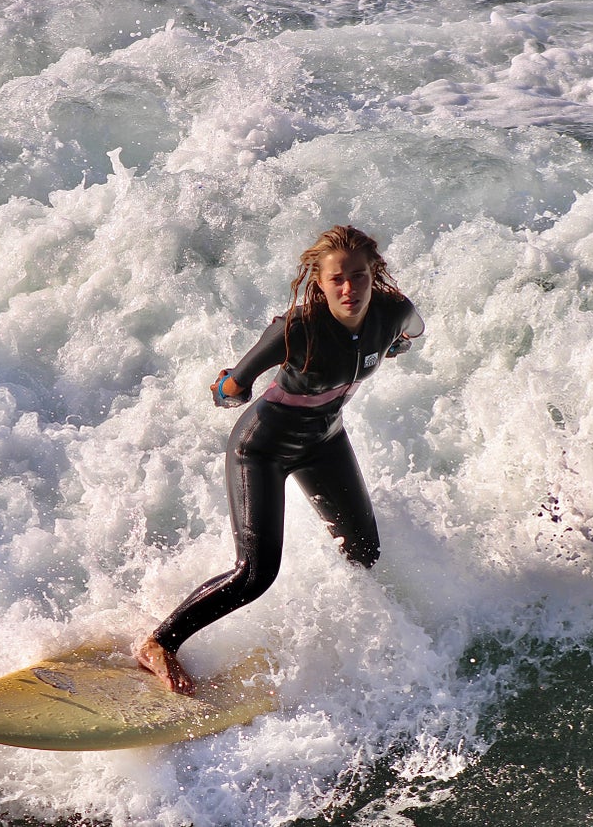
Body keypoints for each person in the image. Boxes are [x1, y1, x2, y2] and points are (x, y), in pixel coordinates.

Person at [136, 225, 425, 695]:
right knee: (255, 575)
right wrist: (226, 387)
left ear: (375, 273)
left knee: (364, 552)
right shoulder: (296, 328)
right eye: (337, 280)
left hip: (325, 441)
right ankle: (159, 643)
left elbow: (411, 333)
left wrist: (393, 344)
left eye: (359, 276)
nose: (349, 288)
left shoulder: (394, 312)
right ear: (319, 280)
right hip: (261, 449)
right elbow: (230, 390)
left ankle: (327, 637)